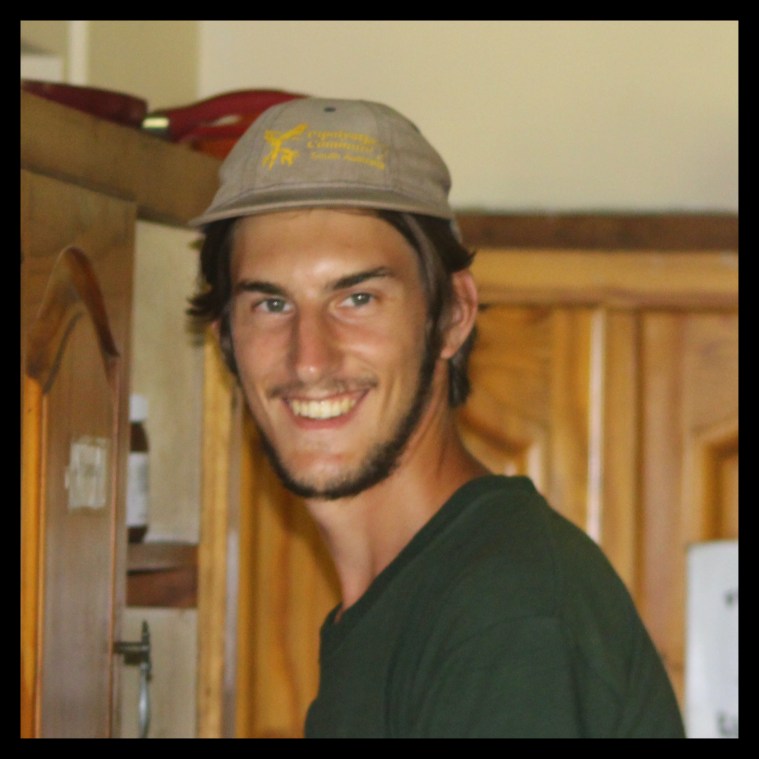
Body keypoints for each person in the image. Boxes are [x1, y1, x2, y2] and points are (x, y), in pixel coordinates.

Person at [188, 97, 686, 738]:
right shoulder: (412, 600)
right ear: (226, 338)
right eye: (272, 305)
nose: (309, 360)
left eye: (357, 298)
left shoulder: (505, 615)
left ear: (452, 314)